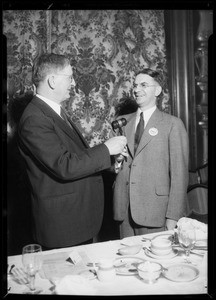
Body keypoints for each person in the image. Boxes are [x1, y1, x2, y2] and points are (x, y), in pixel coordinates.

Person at [17, 53, 127, 249]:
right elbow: (65, 165)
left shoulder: (52, 111)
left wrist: (110, 160)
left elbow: (75, 157)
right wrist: (106, 148)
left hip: (76, 220)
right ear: (52, 80)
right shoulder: (35, 119)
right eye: (69, 77)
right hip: (63, 226)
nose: (73, 82)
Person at [112, 68, 189, 238]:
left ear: (158, 90)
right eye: (135, 85)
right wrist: (116, 162)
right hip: (124, 210)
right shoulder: (121, 123)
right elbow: (114, 166)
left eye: (144, 85)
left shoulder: (172, 124)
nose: (136, 89)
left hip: (156, 212)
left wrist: (173, 216)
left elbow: (180, 175)